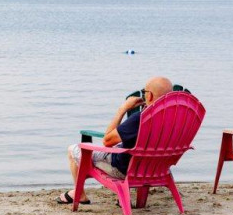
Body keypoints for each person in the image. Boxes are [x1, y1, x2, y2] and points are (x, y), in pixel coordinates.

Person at [58, 76, 173, 204]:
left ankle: (80, 194)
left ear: (150, 95)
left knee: (73, 149)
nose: (144, 95)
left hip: (124, 170)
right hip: (158, 169)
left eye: (144, 92)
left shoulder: (140, 119)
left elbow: (107, 141)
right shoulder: (176, 118)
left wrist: (123, 109)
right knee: (121, 145)